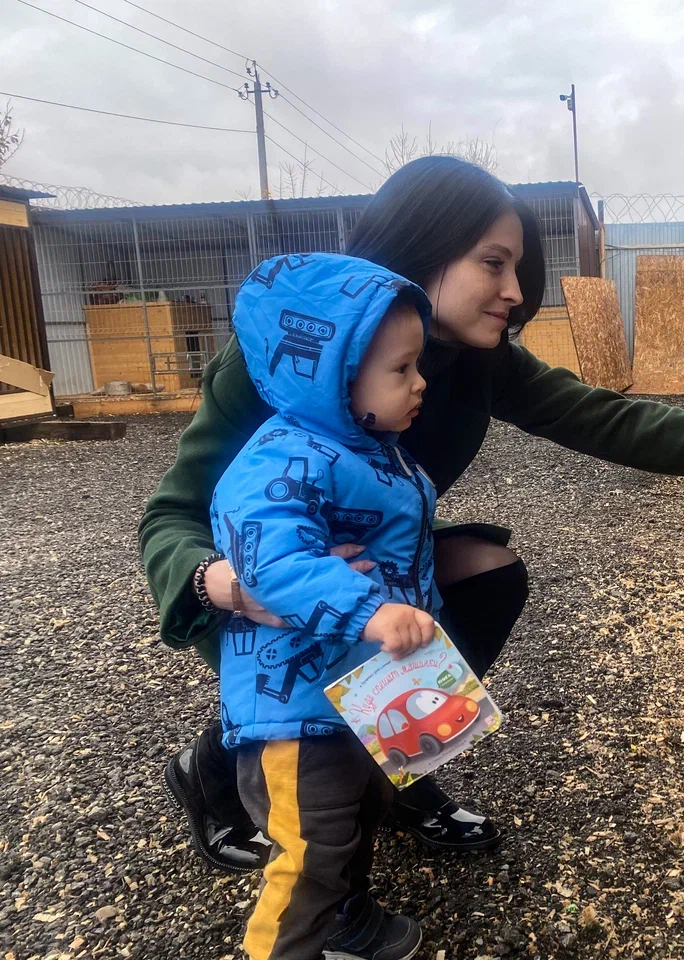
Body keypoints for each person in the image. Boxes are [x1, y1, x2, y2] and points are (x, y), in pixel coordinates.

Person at [140, 155, 684, 875]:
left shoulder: (477, 361)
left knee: (488, 574)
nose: (518, 292)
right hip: (265, 601)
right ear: (421, 247)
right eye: (495, 262)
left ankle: (397, 757)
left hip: (376, 588)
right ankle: (214, 766)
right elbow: (171, 517)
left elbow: (612, 420)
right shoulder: (286, 356)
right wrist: (227, 585)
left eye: (517, 265)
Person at [208, 253, 444, 959]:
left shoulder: (365, 447)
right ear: (334, 375)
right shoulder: (282, 458)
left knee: (360, 813)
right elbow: (274, 560)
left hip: (358, 688)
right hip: (295, 706)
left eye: (415, 365)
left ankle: (350, 926)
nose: (420, 382)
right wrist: (371, 614)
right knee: (310, 849)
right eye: (401, 370)